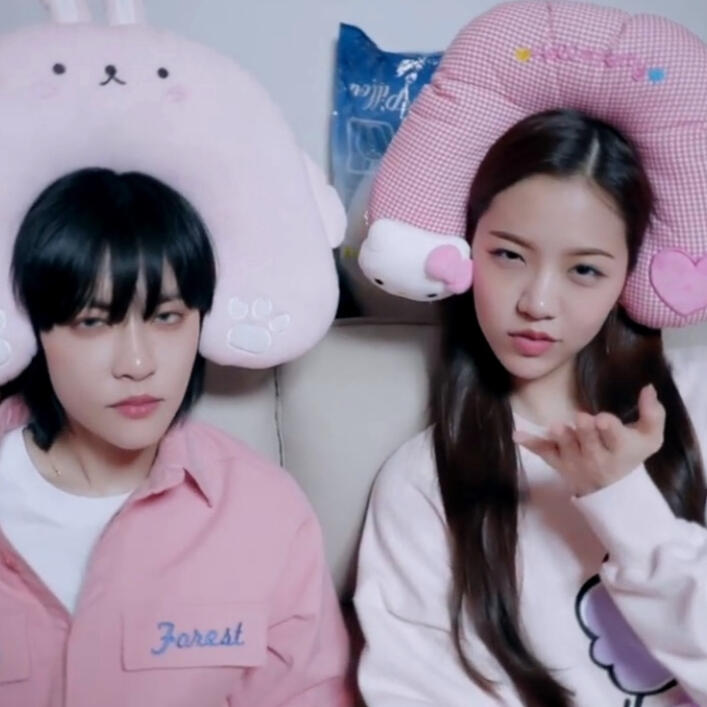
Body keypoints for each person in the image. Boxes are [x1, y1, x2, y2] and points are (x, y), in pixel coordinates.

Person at [353, 3, 707, 705]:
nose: (537, 302)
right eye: (509, 256)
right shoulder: (423, 481)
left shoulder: (698, 406)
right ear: (465, 248)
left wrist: (623, 504)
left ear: (628, 276)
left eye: (584, 269)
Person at [0, 168, 352, 707]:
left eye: (166, 317)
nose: (138, 363)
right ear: (34, 329)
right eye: (93, 322)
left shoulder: (265, 513)